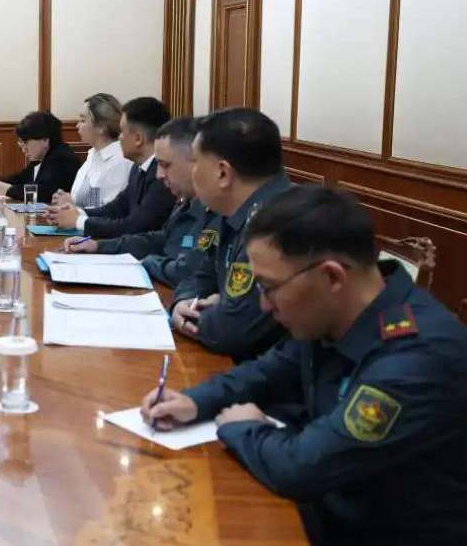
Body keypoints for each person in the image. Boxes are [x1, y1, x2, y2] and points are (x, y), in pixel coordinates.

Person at [141, 185, 467, 545]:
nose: (263, 306)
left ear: (332, 277)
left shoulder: (418, 357)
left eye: (269, 287)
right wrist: (194, 401)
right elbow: (268, 371)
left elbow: (302, 467)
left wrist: (244, 427)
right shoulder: (336, 312)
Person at [170, 107, 293, 361]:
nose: (192, 172)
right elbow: (200, 275)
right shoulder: (231, 210)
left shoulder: (278, 222)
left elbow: (232, 329)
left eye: (195, 162)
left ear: (223, 173)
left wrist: (195, 315)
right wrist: (184, 302)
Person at [65, 117, 220, 286]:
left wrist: (146, 262)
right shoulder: (187, 202)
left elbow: (185, 272)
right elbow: (160, 239)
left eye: (166, 165)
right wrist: (98, 246)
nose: (159, 174)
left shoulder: (217, 210)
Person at [49, 97, 175, 238]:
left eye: (122, 132)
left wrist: (79, 221)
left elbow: (136, 226)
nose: (119, 138)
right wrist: (76, 213)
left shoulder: (162, 176)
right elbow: (117, 207)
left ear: (138, 138)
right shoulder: (138, 168)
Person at [51, 92, 131, 209]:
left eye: (83, 120)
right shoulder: (93, 154)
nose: (77, 125)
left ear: (102, 127)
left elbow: (110, 211)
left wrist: (73, 207)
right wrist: (65, 200)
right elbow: (86, 200)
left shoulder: (120, 160)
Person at [0, 110, 81, 204]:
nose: (23, 149)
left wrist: (7, 189)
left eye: (25, 142)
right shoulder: (42, 156)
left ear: (45, 140)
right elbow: (20, 179)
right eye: (20, 142)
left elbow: (43, 193)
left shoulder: (62, 158)